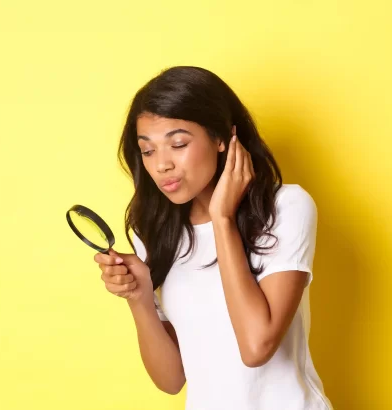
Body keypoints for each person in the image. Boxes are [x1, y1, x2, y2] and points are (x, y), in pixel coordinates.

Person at [95, 66, 333, 409]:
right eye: (148, 151)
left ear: (221, 138)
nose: (162, 164)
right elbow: (171, 380)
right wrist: (139, 297)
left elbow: (256, 347)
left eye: (178, 144)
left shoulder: (285, 208)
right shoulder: (156, 233)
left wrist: (222, 219)